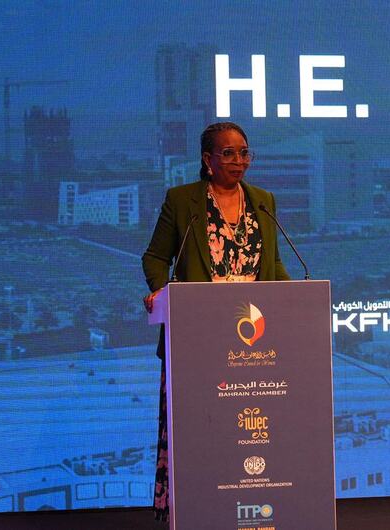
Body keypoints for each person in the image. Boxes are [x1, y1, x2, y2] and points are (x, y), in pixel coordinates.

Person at [140, 121, 290, 520]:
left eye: (244, 152)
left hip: (253, 343)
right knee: (202, 431)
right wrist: (162, 292)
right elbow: (155, 257)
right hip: (197, 336)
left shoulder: (263, 201)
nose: (239, 160)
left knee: (246, 429)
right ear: (208, 159)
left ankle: (248, 507)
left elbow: (273, 264)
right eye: (228, 153)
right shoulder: (182, 201)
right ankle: (197, 511)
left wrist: (297, 302)